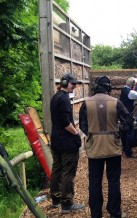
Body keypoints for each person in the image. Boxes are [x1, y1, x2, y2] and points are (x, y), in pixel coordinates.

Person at [79, 76, 130, 218]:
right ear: (109, 88)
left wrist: (90, 134)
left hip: (94, 148)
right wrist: (119, 132)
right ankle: (115, 212)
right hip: (113, 147)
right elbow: (128, 122)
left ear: (96, 87)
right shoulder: (116, 102)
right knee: (113, 180)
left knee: (94, 181)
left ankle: (96, 214)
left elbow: (82, 124)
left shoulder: (86, 103)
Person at [50, 73, 84, 214]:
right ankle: (67, 203)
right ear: (65, 83)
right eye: (72, 83)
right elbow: (65, 122)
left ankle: (56, 199)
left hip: (56, 140)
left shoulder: (55, 96)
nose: (75, 86)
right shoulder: (63, 99)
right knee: (68, 172)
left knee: (57, 169)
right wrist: (76, 134)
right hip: (66, 141)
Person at [119, 77, 137, 158]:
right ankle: (128, 153)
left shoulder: (124, 89)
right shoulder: (130, 92)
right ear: (133, 85)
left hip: (122, 114)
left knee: (124, 131)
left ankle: (124, 149)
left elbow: (131, 84)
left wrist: (135, 80)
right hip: (128, 114)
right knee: (130, 132)